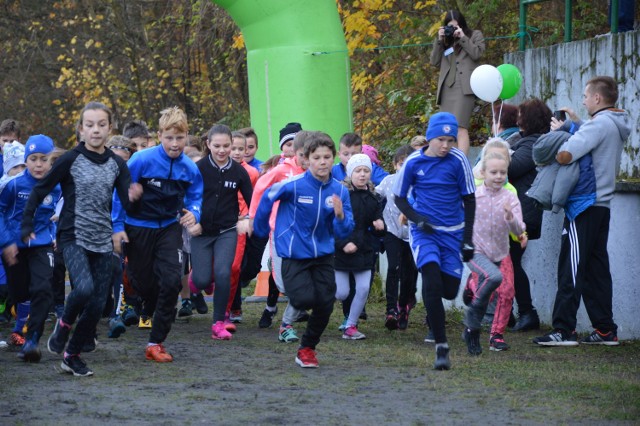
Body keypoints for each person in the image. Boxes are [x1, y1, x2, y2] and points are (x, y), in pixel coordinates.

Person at [22, 102, 141, 376]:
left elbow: (126, 204)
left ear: (109, 128)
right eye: (90, 125)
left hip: (102, 237)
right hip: (72, 234)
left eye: (101, 124)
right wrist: (27, 223)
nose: (96, 130)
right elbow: (40, 190)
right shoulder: (70, 159)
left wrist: (134, 198)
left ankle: (71, 355)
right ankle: (64, 324)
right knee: (83, 288)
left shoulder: (116, 164)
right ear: (81, 129)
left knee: (98, 303)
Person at [534, 76, 631, 346]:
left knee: (571, 267)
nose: (584, 100)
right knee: (595, 269)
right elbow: (592, 141)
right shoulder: (615, 123)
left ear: (598, 98)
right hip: (602, 205)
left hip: (584, 204)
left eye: (587, 96)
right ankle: (605, 330)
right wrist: (576, 124)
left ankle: (563, 330)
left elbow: (566, 155)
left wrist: (560, 139)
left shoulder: (598, 124)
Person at [252, 131, 354, 368]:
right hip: (294, 254)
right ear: (307, 159)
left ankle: (307, 348)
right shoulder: (293, 186)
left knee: (326, 303)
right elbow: (267, 197)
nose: (322, 162)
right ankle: (293, 326)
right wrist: (258, 229)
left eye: (327, 157)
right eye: (316, 157)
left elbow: (345, 231)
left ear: (333, 158)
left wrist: (339, 215)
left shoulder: (340, 191)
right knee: (303, 298)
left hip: (324, 255)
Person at [112, 106, 202, 363]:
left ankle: (156, 342)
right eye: (169, 138)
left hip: (169, 228)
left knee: (172, 282)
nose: (175, 144)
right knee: (144, 284)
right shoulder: (141, 160)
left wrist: (195, 214)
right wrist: (117, 227)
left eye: (180, 138)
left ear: (186, 137)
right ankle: (135, 286)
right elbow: (120, 193)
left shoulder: (189, 168)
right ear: (159, 136)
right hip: (138, 226)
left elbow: (196, 198)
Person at [393, 112, 475, 370]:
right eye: (441, 139)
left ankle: (464, 288)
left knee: (449, 290)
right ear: (430, 138)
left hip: (453, 232)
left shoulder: (458, 160)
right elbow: (400, 198)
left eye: (450, 140)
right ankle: (441, 346)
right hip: (424, 233)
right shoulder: (413, 163)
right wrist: (417, 220)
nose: (446, 146)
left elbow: (470, 200)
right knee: (430, 279)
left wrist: (467, 239)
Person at [0, 135, 60, 362]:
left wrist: (55, 234)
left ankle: (32, 340)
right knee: (20, 293)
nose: (38, 164)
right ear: (26, 161)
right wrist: (6, 242)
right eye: (33, 159)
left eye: (43, 159)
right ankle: (19, 326)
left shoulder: (56, 186)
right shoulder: (14, 186)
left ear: (50, 161)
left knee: (43, 289)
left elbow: (62, 210)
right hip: (14, 247)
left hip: (42, 245)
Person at [190, 124, 252, 341]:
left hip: (227, 230)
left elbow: (253, 201)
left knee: (224, 273)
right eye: (217, 146)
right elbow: (185, 197)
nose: (222, 150)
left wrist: (247, 219)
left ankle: (218, 322)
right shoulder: (198, 168)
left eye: (227, 146)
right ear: (208, 145)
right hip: (201, 232)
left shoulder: (238, 171)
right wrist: (191, 221)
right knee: (201, 279)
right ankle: (196, 280)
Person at [247, 131, 311, 340]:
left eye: (311, 155)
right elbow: (260, 189)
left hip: (306, 233)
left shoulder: (318, 172)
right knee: (284, 284)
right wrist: (254, 218)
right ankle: (288, 307)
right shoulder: (282, 170)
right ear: (295, 153)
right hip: (281, 231)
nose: (307, 160)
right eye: (303, 155)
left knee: (305, 280)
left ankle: (288, 323)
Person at [465, 138, 526, 351]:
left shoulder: (510, 195)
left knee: (507, 290)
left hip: (501, 251)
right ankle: (472, 287)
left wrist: (513, 222)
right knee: (489, 286)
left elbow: (518, 229)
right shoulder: (473, 193)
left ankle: (496, 335)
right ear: (483, 171)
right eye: (494, 172)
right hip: (478, 251)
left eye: (503, 172)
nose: (499, 176)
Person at [509, 98, 552, 332]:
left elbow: (511, 168)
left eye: (521, 116)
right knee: (509, 263)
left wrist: (501, 152)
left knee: (512, 264)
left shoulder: (532, 144)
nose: (517, 120)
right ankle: (511, 313)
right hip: (520, 212)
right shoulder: (528, 142)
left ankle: (527, 313)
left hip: (522, 214)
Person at [334, 153, 386, 340]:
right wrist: (342, 244)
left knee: (363, 288)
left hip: (364, 249)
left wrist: (380, 226)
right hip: (341, 250)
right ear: (350, 173)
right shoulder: (342, 194)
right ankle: (319, 296)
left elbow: (379, 227)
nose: (362, 175)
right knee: (342, 292)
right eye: (358, 171)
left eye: (366, 171)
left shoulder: (374, 198)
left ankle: (351, 326)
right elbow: (331, 224)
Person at [430, 10, 485, 155]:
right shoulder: (446, 41)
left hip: (464, 88)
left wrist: (462, 37)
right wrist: (439, 40)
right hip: (447, 88)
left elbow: (477, 54)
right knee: (447, 128)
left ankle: (462, 163)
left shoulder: (474, 35)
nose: (453, 30)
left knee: (460, 127)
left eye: (455, 27)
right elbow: (434, 61)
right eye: (450, 27)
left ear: (462, 25)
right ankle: (450, 162)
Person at [376, 145, 418, 331]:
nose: (405, 168)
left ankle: (404, 306)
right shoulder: (388, 181)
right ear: (395, 165)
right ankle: (391, 310)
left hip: (413, 235)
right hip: (392, 231)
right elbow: (374, 195)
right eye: (401, 164)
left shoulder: (420, 184)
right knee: (393, 267)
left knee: (409, 273)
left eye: (409, 164)